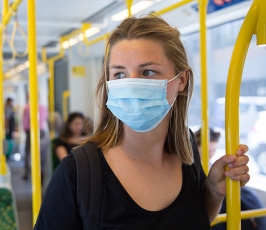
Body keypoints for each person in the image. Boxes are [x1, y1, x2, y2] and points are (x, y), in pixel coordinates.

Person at [34, 15, 250, 229]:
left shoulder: (187, 150)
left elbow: (196, 221)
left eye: (148, 72)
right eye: (119, 74)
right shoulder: (77, 173)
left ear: (181, 80)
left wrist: (213, 191)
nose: (131, 84)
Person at [195, 127, 266, 230]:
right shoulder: (191, 168)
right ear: (196, 147)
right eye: (208, 150)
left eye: (213, 150)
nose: (210, 154)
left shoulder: (213, 165)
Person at [22, 95, 49, 180]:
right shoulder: (43, 108)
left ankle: (27, 172)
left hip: (30, 131)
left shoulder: (27, 108)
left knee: (28, 152)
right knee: (41, 153)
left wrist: (26, 130)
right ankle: (40, 171)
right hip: (41, 131)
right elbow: (44, 119)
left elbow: (25, 122)